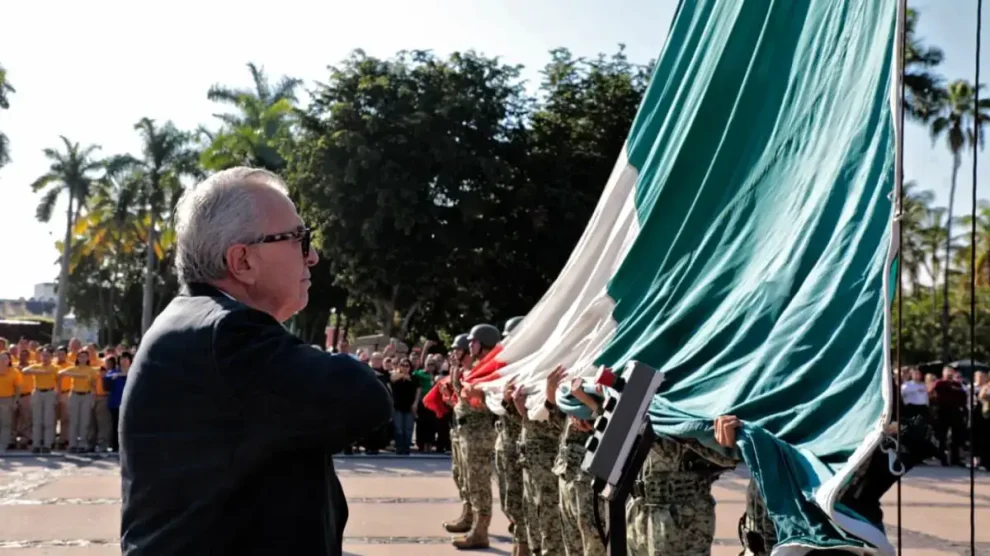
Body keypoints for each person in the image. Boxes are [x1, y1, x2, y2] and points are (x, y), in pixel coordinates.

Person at [118, 167, 393, 556]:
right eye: (299, 239)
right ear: (242, 261)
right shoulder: (229, 333)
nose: (312, 256)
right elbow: (364, 398)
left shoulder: (196, 320)